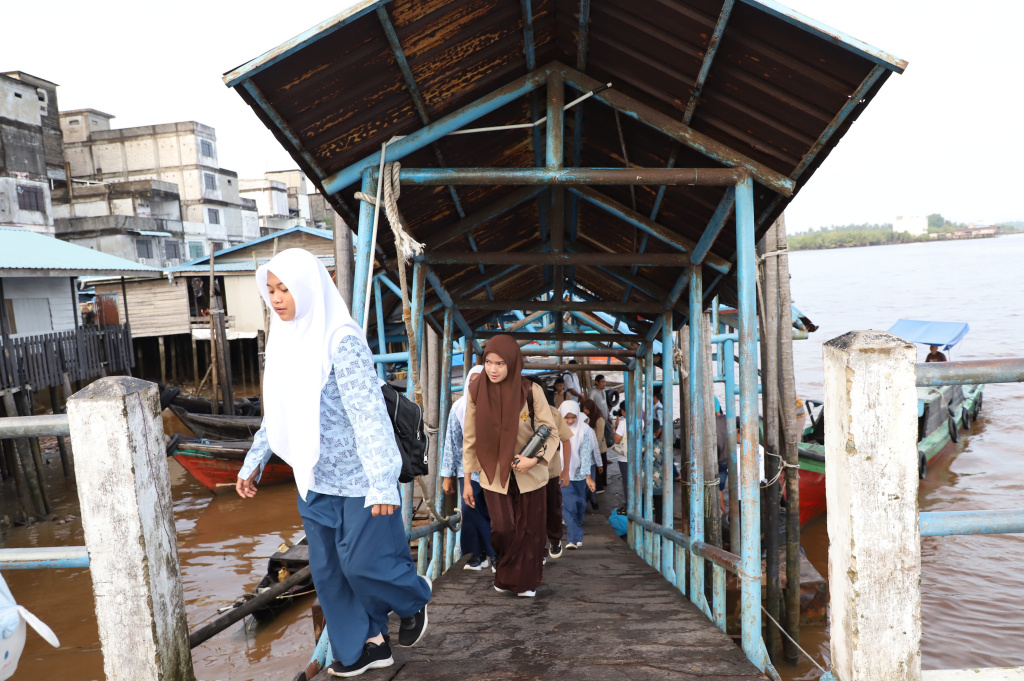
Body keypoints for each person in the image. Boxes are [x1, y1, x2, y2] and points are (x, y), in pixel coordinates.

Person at [236, 249, 430, 678]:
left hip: (360, 479)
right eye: (270, 290)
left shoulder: (340, 339)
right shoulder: (284, 338)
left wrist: (382, 482)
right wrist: (255, 460)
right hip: (313, 477)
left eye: (285, 288)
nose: (277, 298)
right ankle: (366, 646)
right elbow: (279, 410)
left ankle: (413, 597)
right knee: (328, 573)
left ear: (306, 287)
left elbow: (369, 415)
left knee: (364, 564)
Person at [462, 335, 559, 598]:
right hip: (494, 474)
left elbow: (551, 432)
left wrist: (535, 459)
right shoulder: (476, 390)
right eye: (489, 362)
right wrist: (467, 480)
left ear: (513, 364)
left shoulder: (530, 391)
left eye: (500, 363)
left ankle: (524, 582)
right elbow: (470, 436)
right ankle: (506, 571)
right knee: (503, 528)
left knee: (529, 531)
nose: (492, 369)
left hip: (530, 472)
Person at [440, 366, 497, 571]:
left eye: (481, 380)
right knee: (470, 511)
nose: (476, 385)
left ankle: (490, 553)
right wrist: (447, 475)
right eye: (472, 381)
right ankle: (481, 555)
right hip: (467, 471)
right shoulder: (459, 408)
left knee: (492, 511)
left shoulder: (496, 406)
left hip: (494, 471)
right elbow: (451, 443)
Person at [558, 401, 596, 549]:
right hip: (561, 473)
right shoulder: (555, 429)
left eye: (573, 417)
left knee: (580, 504)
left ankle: (576, 533)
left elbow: (586, 454)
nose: (570, 421)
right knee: (569, 506)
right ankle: (573, 539)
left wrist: (588, 476)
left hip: (579, 474)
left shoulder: (584, 429)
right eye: (566, 417)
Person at [543, 398, 574, 560]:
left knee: (553, 509)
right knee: (532, 511)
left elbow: (566, 440)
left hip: (550, 471)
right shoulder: (516, 409)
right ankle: (538, 547)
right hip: (525, 474)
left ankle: (555, 540)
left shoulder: (552, 412)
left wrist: (566, 471)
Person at [581, 399, 607, 494]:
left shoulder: (599, 419)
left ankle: (599, 488)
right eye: (583, 408)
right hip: (593, 448)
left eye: (586, 408)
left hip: (600, 449)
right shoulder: (589, 417)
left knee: (599, 470)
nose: (585, 410)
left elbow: (599, 437)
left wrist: (593, 448)